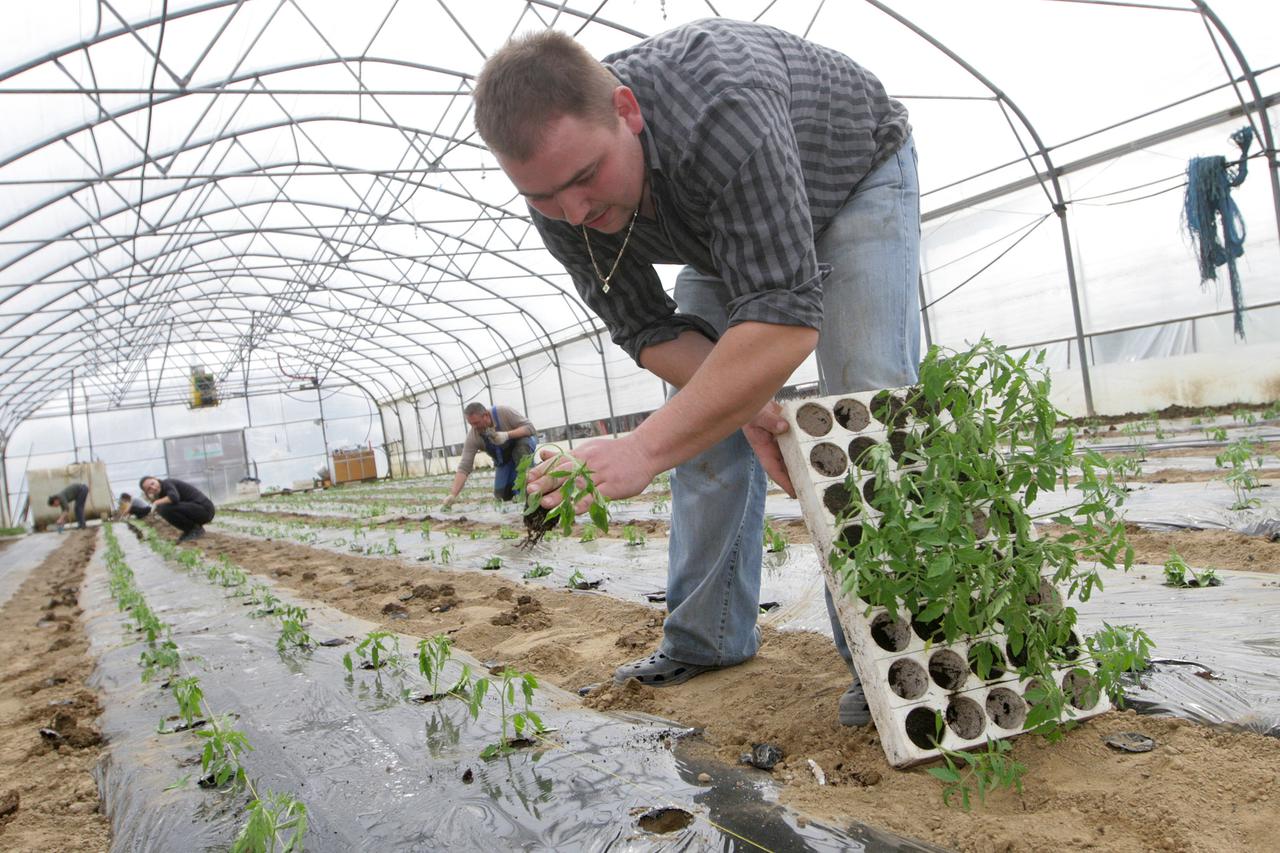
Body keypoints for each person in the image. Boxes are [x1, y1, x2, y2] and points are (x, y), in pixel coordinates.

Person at [473, 19, 920, 727]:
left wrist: (641, 447)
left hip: (851, 176)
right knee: (704, 424)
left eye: (587, 177)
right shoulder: (563, 193)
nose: (575, 213)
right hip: (722, 234)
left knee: (867, 401)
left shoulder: (722, 109)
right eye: (543, 197)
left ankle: (894, 651)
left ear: (627, 110)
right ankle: (705, 637)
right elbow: (646, 327)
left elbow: (784, 317)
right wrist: (748, 408)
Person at [442, 403, 538, 508]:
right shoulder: (474, 436)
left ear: (486, 415)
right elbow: (464, 466)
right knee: (501, 496)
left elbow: (530, 428)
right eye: (471, 424)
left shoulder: (503, 412)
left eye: (476, 423)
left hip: (523, 450)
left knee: (522, 449)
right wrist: (453, 494)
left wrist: (507, 435)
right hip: (504, 461)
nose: (474, 427)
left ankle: (532, 486)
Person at [139, 475, 215, 543]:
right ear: (147, 492)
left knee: (165, 508)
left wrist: (156, 502)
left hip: (205, 510)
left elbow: (174, 497)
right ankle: (189, 530)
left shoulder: (167, 483)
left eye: (152, 483)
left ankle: (195, 530)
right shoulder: (161, 492)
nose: (153, 488)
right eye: (149, 489)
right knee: (162, 508)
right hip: (197, 511)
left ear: (155, 479)